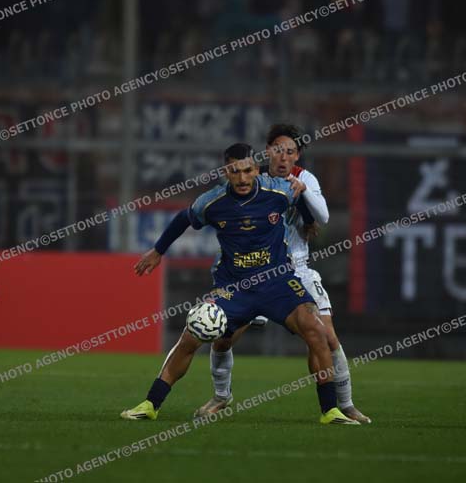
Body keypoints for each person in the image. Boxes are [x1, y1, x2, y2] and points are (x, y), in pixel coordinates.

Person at [121, 143, 359, 425]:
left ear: (257, 170)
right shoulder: (212, 202)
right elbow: (183, 218)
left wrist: (308, 223)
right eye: (235, 172)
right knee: (192, 335)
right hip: (234, 288)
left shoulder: (279, 190)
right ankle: (151, 404)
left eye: (247, 171)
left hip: (278, 283)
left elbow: (301, 203)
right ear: (226, 172)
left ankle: (330, 410)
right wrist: (158, 251)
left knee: (316, 331)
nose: (242, 178)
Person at [195, 124, 371, 424]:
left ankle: (344, 405)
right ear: (267, 152)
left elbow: (323, 216)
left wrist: (303, 195)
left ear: (297, 155)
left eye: (290, 151)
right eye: (278, 150)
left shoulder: (305, 178)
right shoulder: (253, 179)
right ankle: (221, 396)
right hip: (255, 273)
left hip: (297, 270)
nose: (283, 156)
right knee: (223, 337)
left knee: (326, 337)